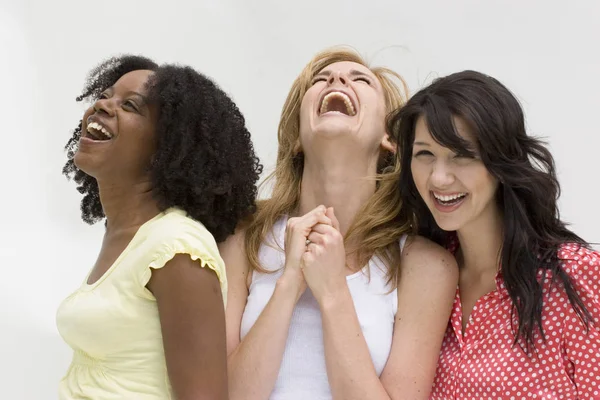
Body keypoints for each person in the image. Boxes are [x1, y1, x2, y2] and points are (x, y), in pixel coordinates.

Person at [219, 47, 458, 400]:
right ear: (297, 137)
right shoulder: (242, 236)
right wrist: (290, 282)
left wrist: (332, 291)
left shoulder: (425, 265)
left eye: (361, 80)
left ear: (388, 139)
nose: (337, 79)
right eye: (320, 80)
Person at [56, 55, 262, 400]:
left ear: (167, 149)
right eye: (105, 95)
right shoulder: (128, 237)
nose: (103, 106)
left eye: (131, 105)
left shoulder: (176, 247)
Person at [388, 70, 600, 399]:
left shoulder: (574, 276)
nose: (439, 178)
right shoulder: (420, 277)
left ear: (500, 162)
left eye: (463, 154)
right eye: (425, 154)